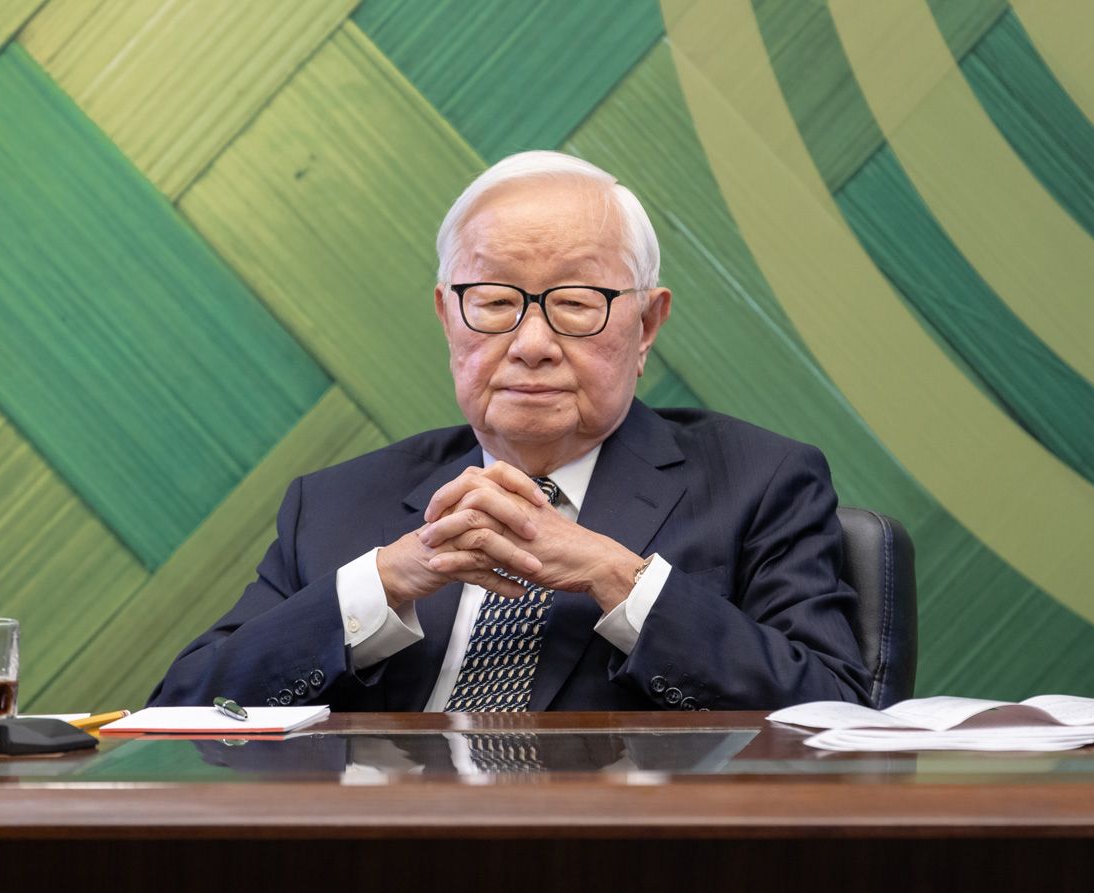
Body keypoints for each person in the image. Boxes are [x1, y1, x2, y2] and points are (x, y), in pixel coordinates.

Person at [150, 151, 870, 712]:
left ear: (647, 324)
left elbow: (837, 717)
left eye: (577, 302)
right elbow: (181, 714)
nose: (531, 344)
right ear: (446, 317)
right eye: (494, 301)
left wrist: (616, 577)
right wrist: (383, 583)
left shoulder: (759, 483)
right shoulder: (336, 505)